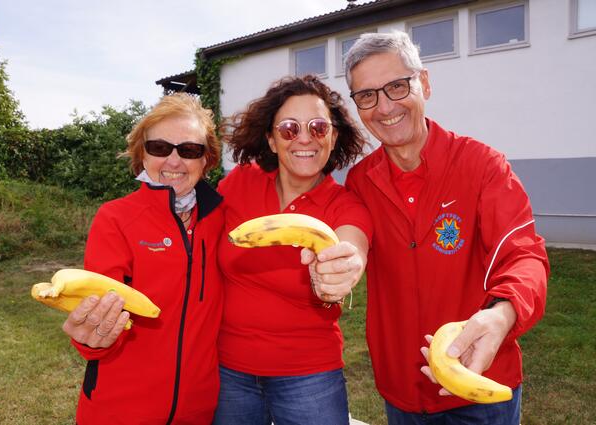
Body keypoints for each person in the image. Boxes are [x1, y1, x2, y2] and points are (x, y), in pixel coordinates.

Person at [343, 31, 549, 424]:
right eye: (367, 95)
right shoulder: (360, 182)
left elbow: (523, 255)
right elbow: (351, 243)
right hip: (402, 391)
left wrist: (502, 314)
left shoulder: (482, 166)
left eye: (397, 86)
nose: (384, 107)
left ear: (424, 83)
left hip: (480, 383)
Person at [213, 75, 373, 425]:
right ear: (271, 140)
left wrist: (342, 270)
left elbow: (351, 247)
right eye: (289, 128)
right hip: (230, 372)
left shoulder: (346, 206)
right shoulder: (239, 182)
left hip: (309, 376)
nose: (304, 138)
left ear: (333, 137)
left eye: (318, 127)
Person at [60, 93, 224, 424]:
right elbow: (99, 317)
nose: (174, 161)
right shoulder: (115, 218)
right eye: (159, 148)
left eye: (189, 150)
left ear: (207, 159)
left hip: (199, 410)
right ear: (143, 155)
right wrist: (92, 338)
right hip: (120, 410)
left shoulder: (222, 217)